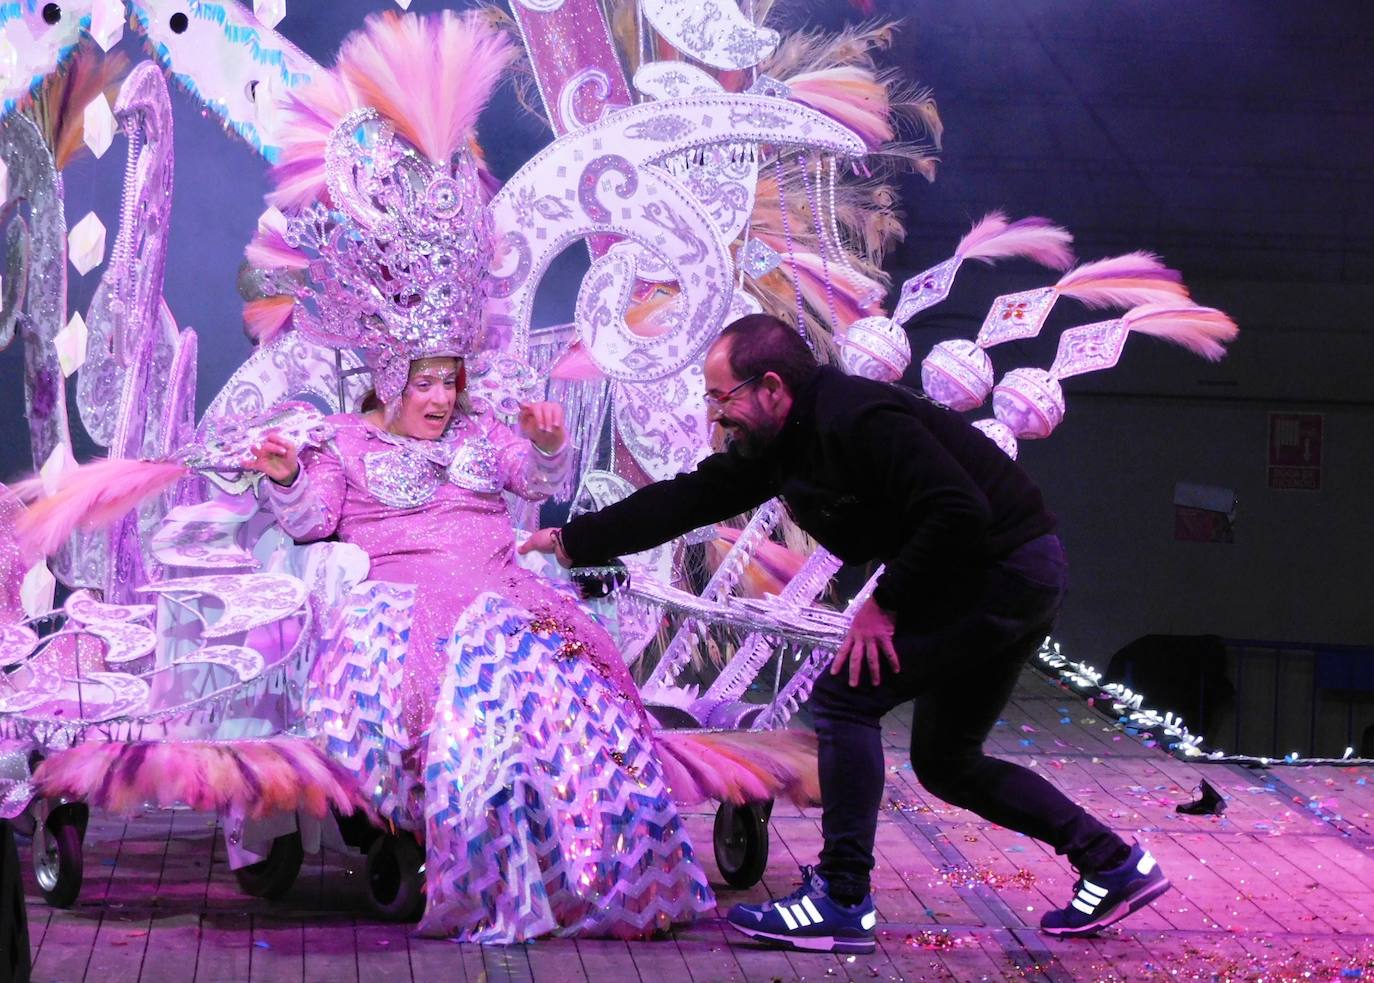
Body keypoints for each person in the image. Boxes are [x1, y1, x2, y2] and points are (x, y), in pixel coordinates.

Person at [522, 312, 1172, 952]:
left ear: (772, 387)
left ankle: (842, 897)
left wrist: (884, 604)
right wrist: (573, 540)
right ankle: (1112, 863)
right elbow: (686, 499)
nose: (716, 414)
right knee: (947, 762)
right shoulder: (777, 446)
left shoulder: (856, 417)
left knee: (846, 696)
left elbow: (958, 508)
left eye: (723, 397)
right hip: (989, 575)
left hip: (1003, 572)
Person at [243, 357, 717, 940]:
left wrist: (547, 446)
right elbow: (313, 523)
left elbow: (535, 480)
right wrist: (288, 478)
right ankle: (479, 859)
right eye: (424, 384)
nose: (441, 399)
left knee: (579, 692)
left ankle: (596, 869)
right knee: (466, 710)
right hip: (407, 598)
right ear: (389, 384)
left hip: (507, 590)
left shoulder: (479, 429)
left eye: (450, 382)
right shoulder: (340, 439)